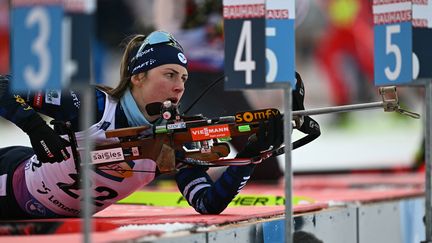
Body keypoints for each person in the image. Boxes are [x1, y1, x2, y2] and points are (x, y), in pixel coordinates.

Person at [0, 30, 284, 219]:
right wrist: (36, 128)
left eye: (184, 78)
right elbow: (4, 86)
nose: (179, 87)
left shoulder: (175, 137)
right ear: (138, 77)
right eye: (170, 75)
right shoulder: (93, 104)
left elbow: (207, 203)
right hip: (10, 182)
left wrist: (250, 156)